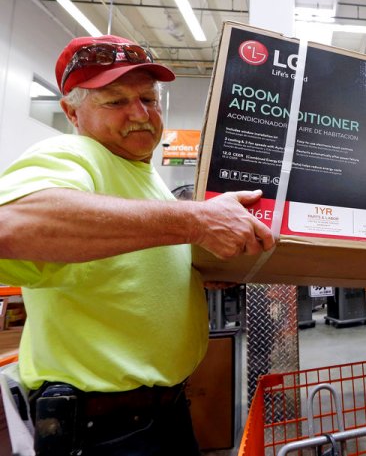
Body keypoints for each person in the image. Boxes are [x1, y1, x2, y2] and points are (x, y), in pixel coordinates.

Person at [0, 35, 274, 455]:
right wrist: (198, 219)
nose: (140, 113)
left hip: (161, 412)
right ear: (72, 112)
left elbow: (126, 264)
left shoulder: (144, 179)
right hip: (102, 429)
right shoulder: (72, 154)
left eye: (148, 98)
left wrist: (194, 273)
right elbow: (12, 226)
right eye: (115, 101)